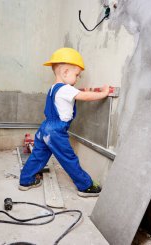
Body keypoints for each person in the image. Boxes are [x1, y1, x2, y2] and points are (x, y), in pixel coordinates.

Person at [19, 47, 110, 197]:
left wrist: (81, 91)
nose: (78, 78)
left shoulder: (54, 88)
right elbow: (84, 97)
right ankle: (85, 186)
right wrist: (103, 93)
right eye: (77, 75)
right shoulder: (66, 89)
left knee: (38, 155)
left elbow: (71, 97)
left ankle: (26, 180)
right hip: (56, 131)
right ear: (65, 72)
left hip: (45, 128)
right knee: (69, 158)